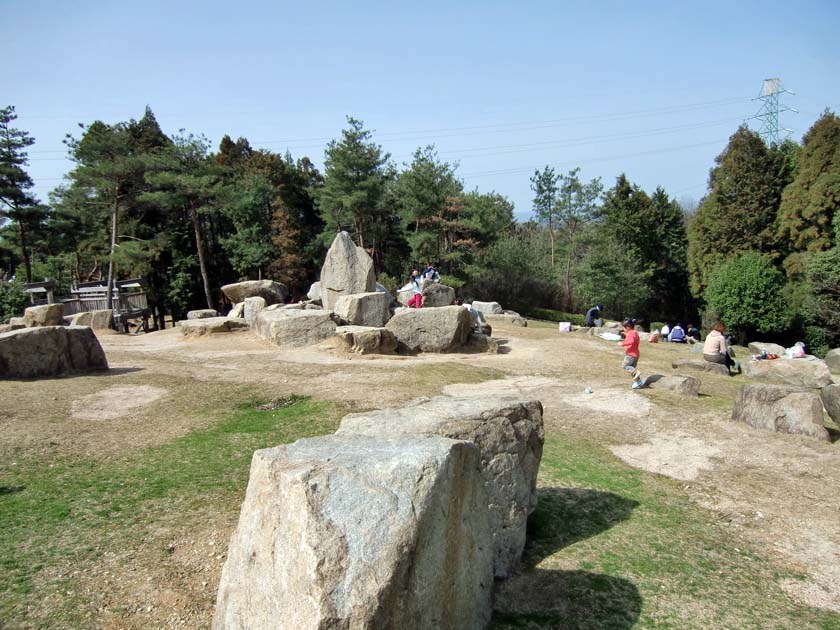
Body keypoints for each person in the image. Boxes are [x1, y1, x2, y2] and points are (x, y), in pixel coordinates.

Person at [617, 318, 643, 389]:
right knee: (632, 370)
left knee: (625, 366)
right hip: (635, 355)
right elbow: (633, 338)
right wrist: (625, 334)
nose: (623, 328)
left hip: (630, 355)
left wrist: (622, 343)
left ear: (628, 327)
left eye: (624, 327)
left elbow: (631, 341)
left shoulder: (631, 334)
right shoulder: (634, 333)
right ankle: (638, 383)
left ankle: (636, 372)